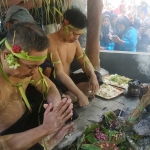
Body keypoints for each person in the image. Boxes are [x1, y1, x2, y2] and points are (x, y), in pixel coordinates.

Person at [0, 22, 74, 150]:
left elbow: (50, 88)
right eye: (30, 66)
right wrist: (46, 129)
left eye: (38, 65)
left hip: (26, 117)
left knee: (65, 106)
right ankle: (47, 143)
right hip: (7, 138)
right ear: (7, 56)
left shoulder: (28, 70)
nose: (35, 72)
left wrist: (55, 111)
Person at [47, 8, 103, 107]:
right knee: (56, 99)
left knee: (97, 76)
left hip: (70, 78)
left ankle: (70, 97)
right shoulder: (50, 41)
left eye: (79, 35)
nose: (76, 38)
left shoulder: (75, 42)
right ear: (64, 25)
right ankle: (73, 97)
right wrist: (80, 94)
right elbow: (59, 73)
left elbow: (84, 60)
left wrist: (92, 76)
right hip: (56, 83)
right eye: (74, 33)